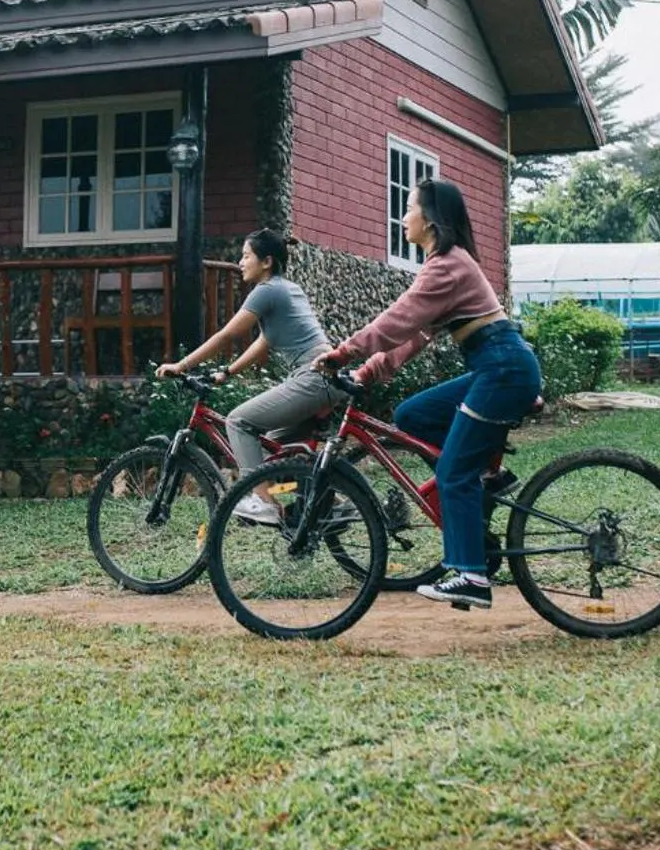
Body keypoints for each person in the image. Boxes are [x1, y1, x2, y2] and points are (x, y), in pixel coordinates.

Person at [318, 178, 541, 609]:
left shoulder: (447, 265)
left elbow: (395, 322)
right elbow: (413, 336)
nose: (404, 217)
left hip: (502, 368)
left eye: (409, 207)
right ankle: (480, 475)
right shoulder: (447, 265)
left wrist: (343, 353)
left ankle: (472, 576)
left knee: (452, 474)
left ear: (432, 218)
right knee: (412, 415)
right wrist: (365, 373)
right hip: (493, 366)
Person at [157, 228, 333, 525]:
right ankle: (333, 499)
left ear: (266, 262)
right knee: (271, 449)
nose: (240, 262)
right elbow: (263, 341)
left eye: (246, 256)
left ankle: (262, 502)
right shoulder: (287, 288)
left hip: (312, 377)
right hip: (324, 376)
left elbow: (228, 334)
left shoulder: (267, 291)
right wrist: (227, 372)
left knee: (238, 422)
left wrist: (182, 365)